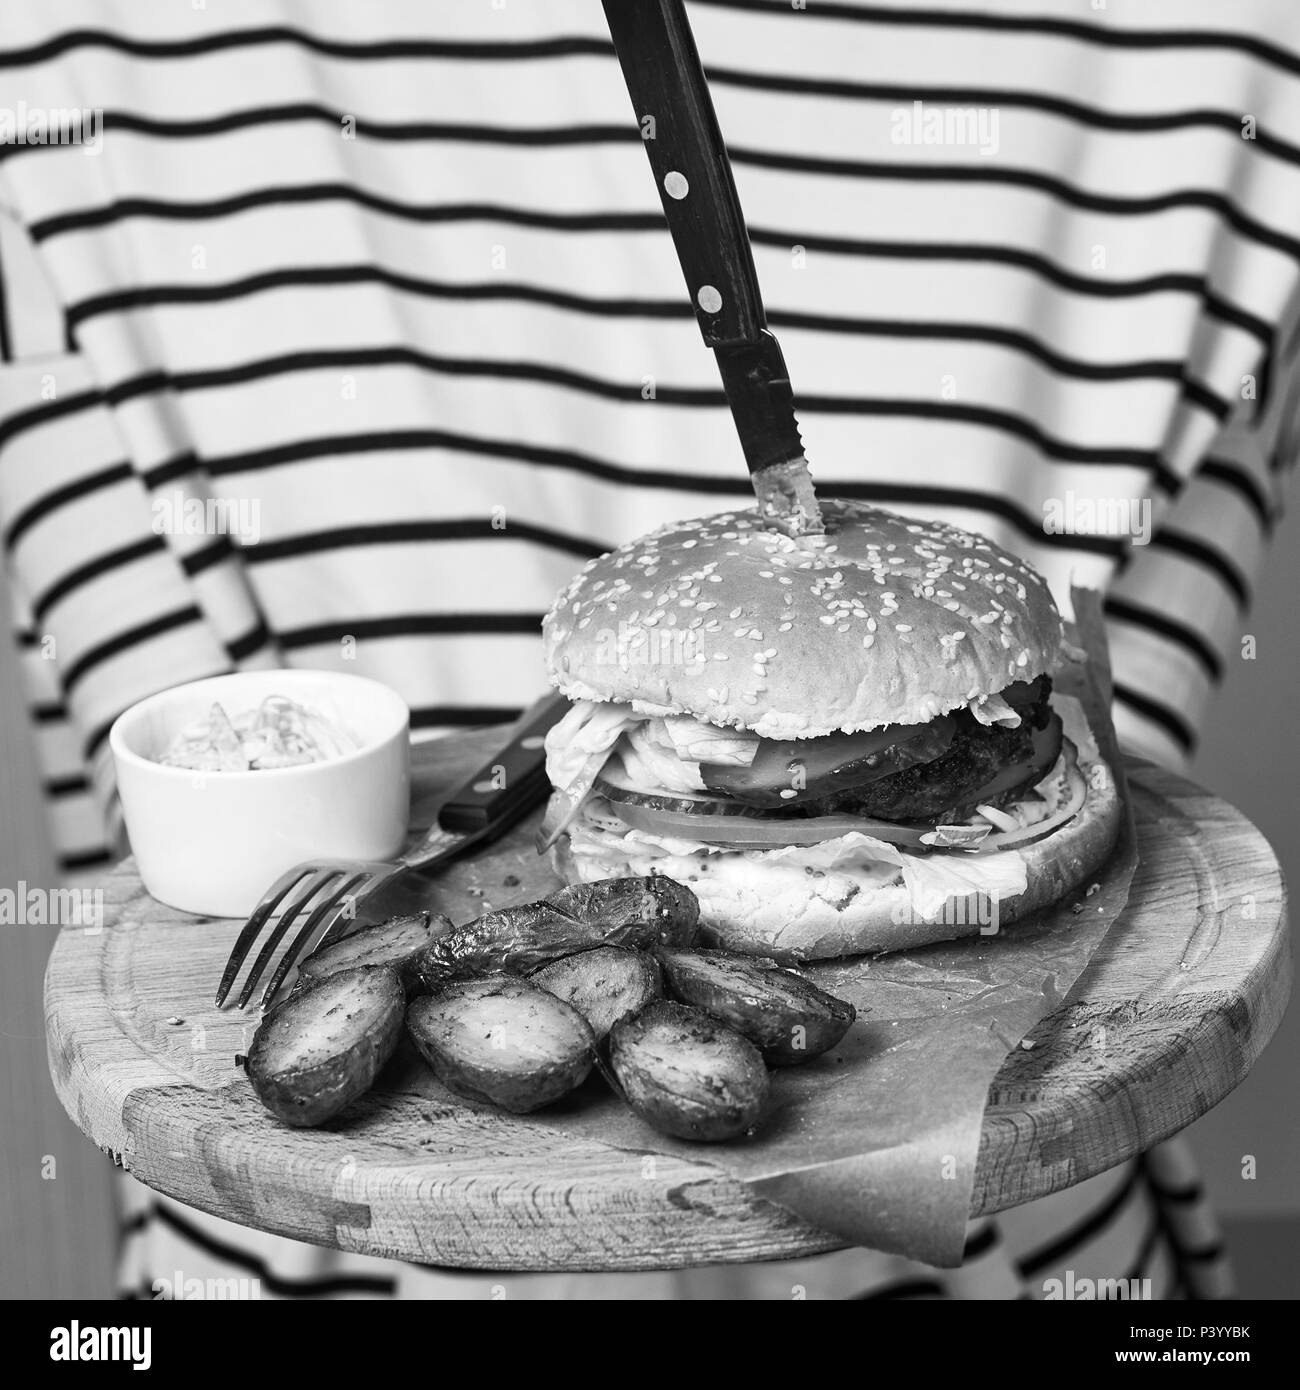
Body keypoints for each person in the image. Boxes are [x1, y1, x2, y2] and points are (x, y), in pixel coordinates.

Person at [3, 0, 1284, 1298]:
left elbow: (1124, 903)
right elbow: (153, 820)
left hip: (1027, 1261)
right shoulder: (54, 76)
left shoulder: (1234, 65)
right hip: (291, 1264)